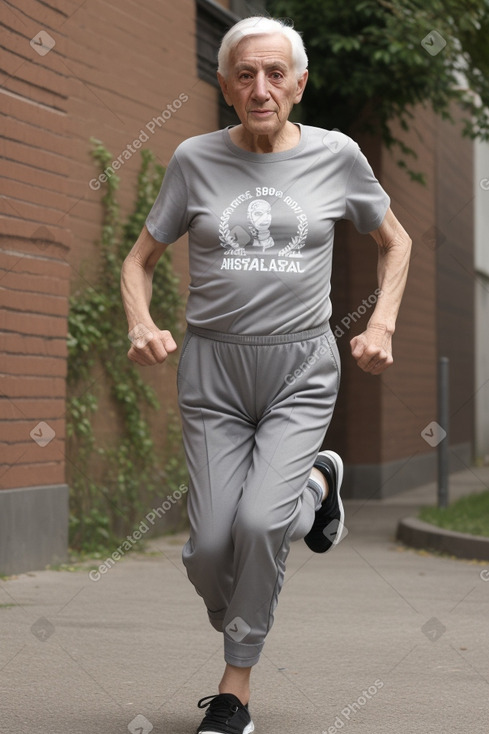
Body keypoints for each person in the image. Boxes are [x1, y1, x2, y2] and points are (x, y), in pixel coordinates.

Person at [120, 15, 411, 734]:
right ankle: (319, 486)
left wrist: (380, 325)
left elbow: (394, 241)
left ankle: (234, 691)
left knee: (260, 522)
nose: (260, 87)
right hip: (212, 368)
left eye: (274, 73)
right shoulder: (193, 159)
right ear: (223, 84)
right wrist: (138, 322)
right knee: (210, 547)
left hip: (299, 369)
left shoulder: (337, 156)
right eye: (244, 74)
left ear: (299, 83)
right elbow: (137, 262)